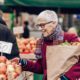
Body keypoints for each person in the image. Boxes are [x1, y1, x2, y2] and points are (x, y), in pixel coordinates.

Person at [12, 10, 80, 80]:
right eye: (39, 26)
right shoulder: (41, 42)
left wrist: (66, 77)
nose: (41, 29)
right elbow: (41, 68)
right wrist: (24, 62)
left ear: (54, 23)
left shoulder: (70, 38)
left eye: (43, 25)